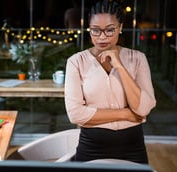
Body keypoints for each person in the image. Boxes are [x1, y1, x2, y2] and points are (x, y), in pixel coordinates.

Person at [64, 0, 156, 164]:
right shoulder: (76, 62)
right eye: (95, 31)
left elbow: (143, 108)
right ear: (89, 29)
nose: (102, 37)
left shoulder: (138, 59)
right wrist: (127, 113)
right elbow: (75, 114)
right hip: (91, 148)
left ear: (120, 28)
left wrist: (119, 66)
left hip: (133, 148)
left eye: (109, 30)